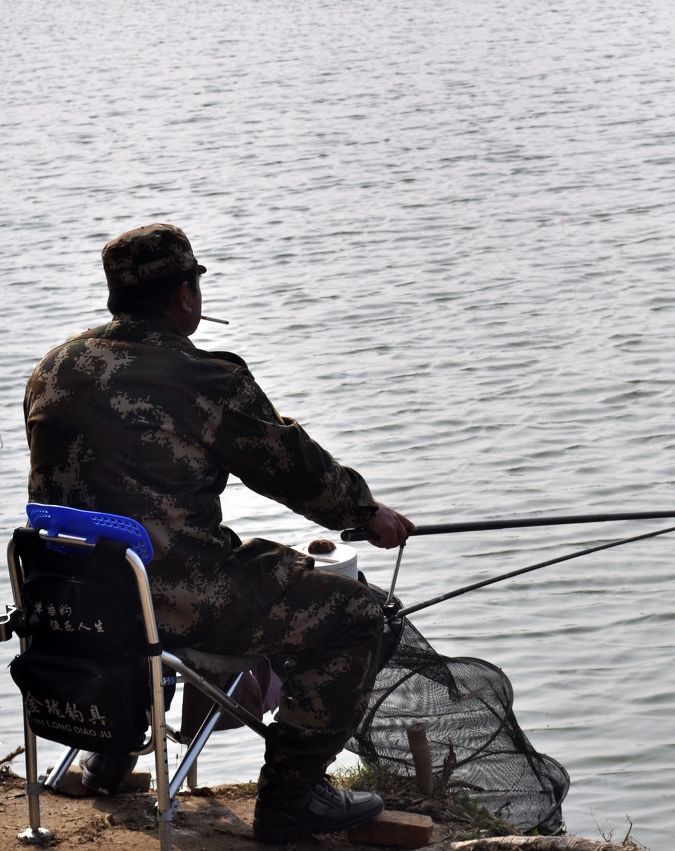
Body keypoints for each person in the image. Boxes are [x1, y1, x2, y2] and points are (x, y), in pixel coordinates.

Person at [24, 223, 414, 843]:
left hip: (73, 599)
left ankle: (111, 755)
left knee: (152, 561)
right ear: (185, 295)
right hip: (169, 599)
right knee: (363, 615)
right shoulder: (204, 378)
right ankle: (293, 799)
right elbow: (297, 471)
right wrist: (367, 514)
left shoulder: (56, 366)